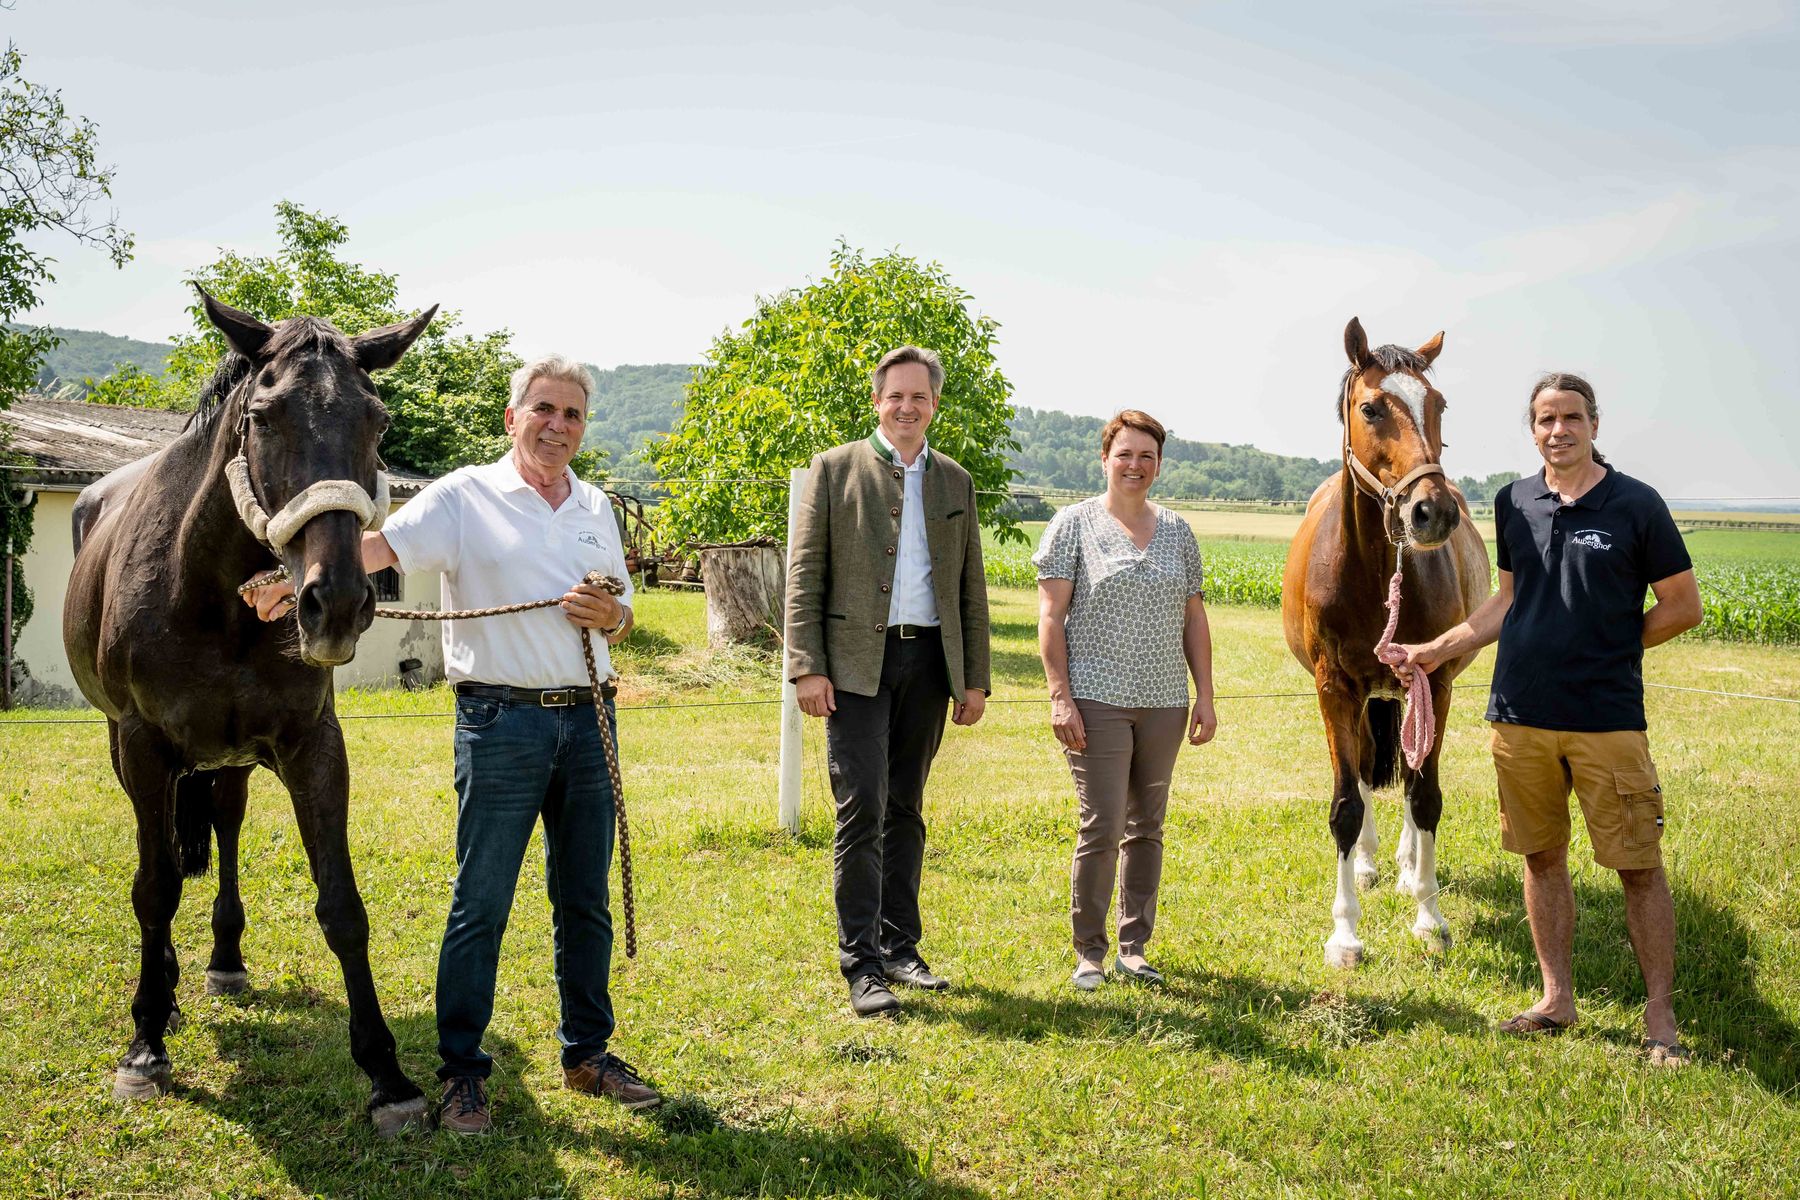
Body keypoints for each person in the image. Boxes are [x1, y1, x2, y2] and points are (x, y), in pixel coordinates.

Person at [249, 354, 662, 1131]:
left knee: (586, 900)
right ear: (513, 418)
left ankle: (588, 1054)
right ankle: (463, 1071)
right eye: (544, 409)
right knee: (482, 904)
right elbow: (379, 551)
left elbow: (626, 607)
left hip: (589, 719)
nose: (558, 426)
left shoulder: (596, 506)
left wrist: (613, 618)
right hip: (501, 724)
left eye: (572, 414)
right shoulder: (465, 496)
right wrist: (295, 576)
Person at [1394, 373, 1702, 1065]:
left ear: (1594, 424)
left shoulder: (1636, 505)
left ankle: (1660, 1016)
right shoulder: (1514, 501)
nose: (1557, 430)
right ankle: (1555, 997)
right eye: (1544, 419)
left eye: (1569, 418)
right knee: (1541, 858)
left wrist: (1610, 650)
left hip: (1606, 719)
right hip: (1519, 714)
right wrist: (1431, 649)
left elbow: (1683, 606)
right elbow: (1507, 599)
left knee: (1639, 866)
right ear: (1531, 429)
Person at [784, 345, 991, 1018]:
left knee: (906, 808)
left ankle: (902, 948)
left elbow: (970, 589)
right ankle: (862, 964)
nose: (907, 407)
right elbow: (805, 575)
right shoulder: (834, 470)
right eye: (895, 396)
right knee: (862, 808)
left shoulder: (955, 482)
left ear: (934, 405)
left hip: (929, 665)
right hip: (852, 668)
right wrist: (807, 665)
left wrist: (975, 680)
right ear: (877, 402)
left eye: (919, 397)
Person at [1034, 410, 1216, 990]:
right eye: (1125, 454)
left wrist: (1204, 695)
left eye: (1147, 456)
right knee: (1103, 823)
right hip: (1097, 699)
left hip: (1164, 700)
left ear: (1158, 464)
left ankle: (1134, 948)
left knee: (1148, 826)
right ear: (1105, 459)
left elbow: (1194, 617)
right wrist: (1060, 697)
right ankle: (1089, 951)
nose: (1135, 465)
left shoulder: (1179, 531)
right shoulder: (1073, 524)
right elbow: (1051, 616)